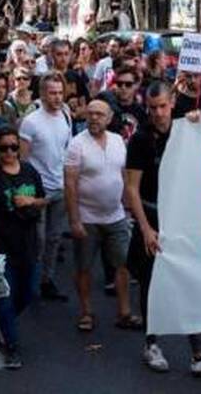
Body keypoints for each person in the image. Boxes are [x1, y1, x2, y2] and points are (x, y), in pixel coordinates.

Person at [124, 82, 201, 378]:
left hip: (183, 220)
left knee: (189, 282)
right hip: (152, 217)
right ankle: (151, 344)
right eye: (152, 108)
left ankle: (199, 353)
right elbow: (131, 190)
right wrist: (146, 229)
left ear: (173, 102)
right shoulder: (140, 140)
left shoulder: (186, 128)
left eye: (162, 106)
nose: (158, 113)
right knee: (151, 286)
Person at [0, 127, 46, 370]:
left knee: (30, 292)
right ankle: (11, 348)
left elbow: (43, 200)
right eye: (4, 148)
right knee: (5, 297)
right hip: (0, 247)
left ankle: (3, 322)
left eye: (14, 147)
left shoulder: (29, 171)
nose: (10, 152)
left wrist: (30, 201)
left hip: (28, 244)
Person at [65, 100, 137, 332]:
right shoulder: (77, 144)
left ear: (109, 118)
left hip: (116, 216)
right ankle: (87, 313)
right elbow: (70, 183)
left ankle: (124, 312)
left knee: (123, 265)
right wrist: (74, 220)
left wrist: (128, 208)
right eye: (91, 113)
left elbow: (124, 176)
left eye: (99, 114)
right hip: (87, 218)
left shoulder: (117, 141)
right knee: (84, 267)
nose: (94, 118)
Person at [18, 72, 72, 302]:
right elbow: (22, 161)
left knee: (54, 238)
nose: (58, 97)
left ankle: (47, 281)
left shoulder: (66, 115)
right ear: (42, 94)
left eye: (60, 92)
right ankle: (28, 281)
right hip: (39, 191)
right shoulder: (31, 122)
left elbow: (66, 151)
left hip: (60, 188)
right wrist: (26, 194)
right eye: (52, 93)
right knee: (36, 241)